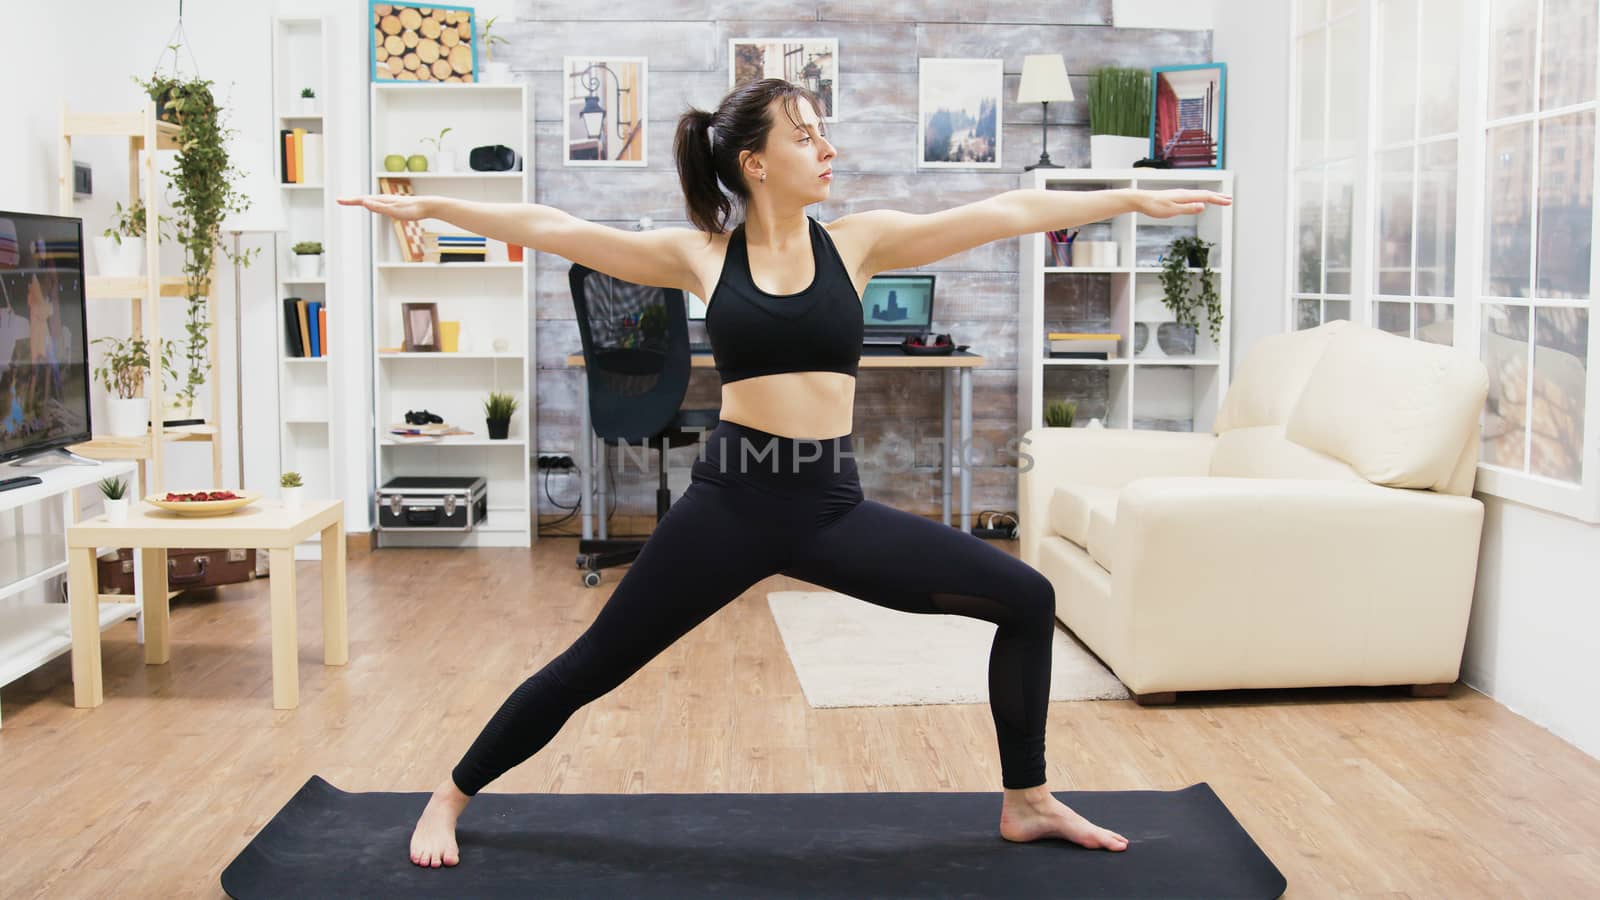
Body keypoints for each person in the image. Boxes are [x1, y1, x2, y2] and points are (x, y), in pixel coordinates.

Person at [340, 77, 1230, 870]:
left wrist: (1124, 198)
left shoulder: (861, 241)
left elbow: (1001, 214)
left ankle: (1028, 800)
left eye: (823, 131)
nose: (828, 148)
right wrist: (436, 208)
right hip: (730, 500)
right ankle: (450, 795)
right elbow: (555, 228)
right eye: (806, 135)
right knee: (593, 665)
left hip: (829, 505)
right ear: (755, 161)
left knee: (1026, 598)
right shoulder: (702, 255)